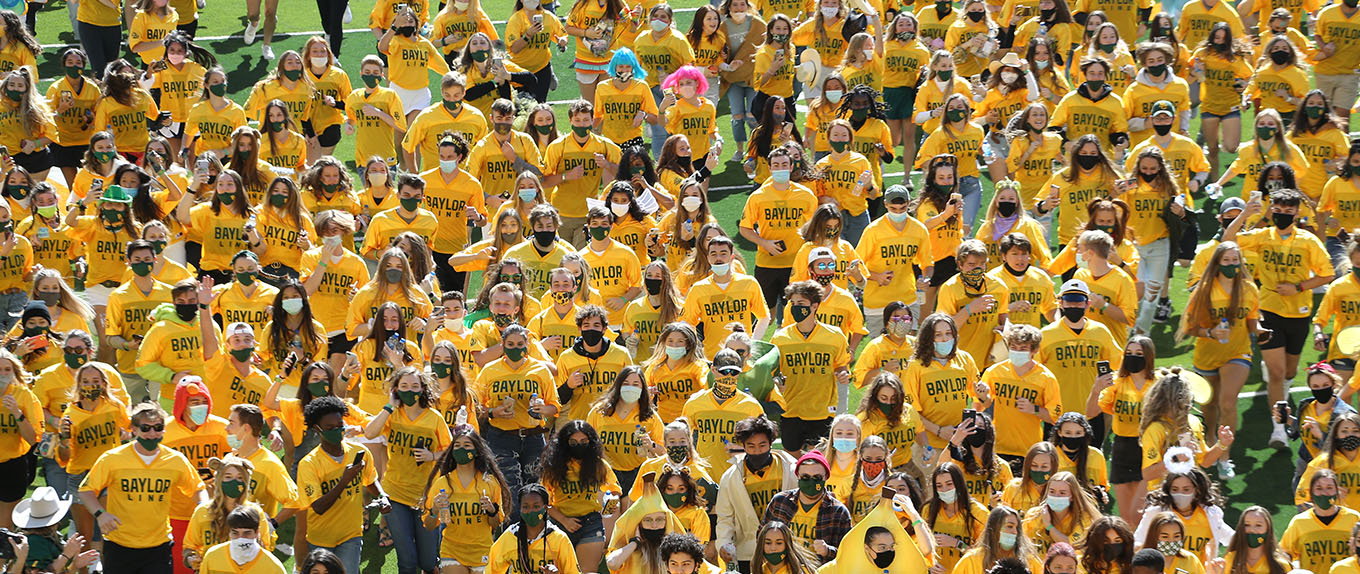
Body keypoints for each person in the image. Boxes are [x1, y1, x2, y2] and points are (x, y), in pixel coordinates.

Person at [1225, 188, 1334, 447]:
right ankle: (1279, 429)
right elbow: (1228, 240)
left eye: (1288, 211)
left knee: (1289, 371)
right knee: (1276, 373)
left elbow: (1327, 274)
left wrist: (1299, 287)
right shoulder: (1263, 236)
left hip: (1298, 312)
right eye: (1278, 210)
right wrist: (1244, 215)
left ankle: (1280, 387)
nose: (1283, 215)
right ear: (1271, 210)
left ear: (1297, 212)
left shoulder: (1308, 241)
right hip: (1268, 309)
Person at [78, 402, 206, 574]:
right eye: (145, 428)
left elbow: (198, 488)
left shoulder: (175, 460)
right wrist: (100, 514)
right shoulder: (112, 458)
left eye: (158, 427)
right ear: (134, 429)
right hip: (119, 545)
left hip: (158, 546)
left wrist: (203, 510)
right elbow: (86, 490)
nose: (152, 433)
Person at [296, 396, 390, 574]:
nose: (337, 430)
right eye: (330, 428)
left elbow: (371, 480)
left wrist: (382, 496)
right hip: (321, 538)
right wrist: (344, 481)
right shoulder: (309, 464)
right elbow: (318, 507)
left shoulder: (360, 452)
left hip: (351, 534)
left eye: (340, 425)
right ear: (317, 429)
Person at [771, 280, 850, 455]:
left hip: (822, 408)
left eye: (801, 304)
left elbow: (841, 365)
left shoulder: (834, 336)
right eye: (793, 303)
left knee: (820, 458)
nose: (796, 308)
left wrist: (843, 374)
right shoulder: (780, 338)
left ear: (815, 306)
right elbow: (773, 372)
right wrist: (777, 382)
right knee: (791, 456)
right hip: (791, 407)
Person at [715, 415, 798, 569]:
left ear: (771, 443)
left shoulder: (790, 469)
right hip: (748, 550)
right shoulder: (731, 477)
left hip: (786, 548)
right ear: (743, 446)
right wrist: (723, 543)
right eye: (751, 446)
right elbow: (725, 517)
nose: (757, 451)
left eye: (762, 445)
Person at [541, 420, 620, 574]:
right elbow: (544, 502)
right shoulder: (554, 466)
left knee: (588, 571)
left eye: (584, 441)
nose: (579, 445)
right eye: (573, 442)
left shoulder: (599, 465)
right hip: (559, 523)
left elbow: (615, 490)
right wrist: (564, 520)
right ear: (564, 443)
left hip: (591, 523)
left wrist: (611, 502)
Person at [1139, 369, 1234, 490]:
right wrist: (1176, 458)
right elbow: (1147, 474)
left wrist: (1222, 444)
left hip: (1192, 492)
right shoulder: (1155, 429)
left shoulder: (1193, 422)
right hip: (1164, 496)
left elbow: (1204, 461)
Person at [761, 450, 851, 564]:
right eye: (805, 477)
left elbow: (847, 553)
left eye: (817, 478)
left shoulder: (838, 512)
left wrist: (827, 551)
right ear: (797, 476)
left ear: (826, 477)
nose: (811, 482)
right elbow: (762, 535)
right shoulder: (780, 502)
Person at [1135, 469, 1235, 561]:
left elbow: (1233, 539)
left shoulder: (1211, 514)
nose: (1180, 494)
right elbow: (1137, 543)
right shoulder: (1156, 513)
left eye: (1186, 489)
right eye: (1175, 489)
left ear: (1197, 490)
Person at [486, 483, 583, 574]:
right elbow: (492, 570)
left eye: (536, 506)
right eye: (526, 507)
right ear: (520, 509)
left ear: (545, 508)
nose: (530, 511)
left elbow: (573, 571)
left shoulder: (559, 538)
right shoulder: (510, 536)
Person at [926, 462, 990, 571]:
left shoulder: (979, 513)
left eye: (949, 484)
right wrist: (928, 565)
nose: (945, 490)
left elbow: (985, 554)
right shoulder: (928, 509)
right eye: (939, 486)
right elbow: (919, 545)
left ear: (959, 483)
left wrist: (957, 544)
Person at [195, 505, 286, 574]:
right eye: (235, 533)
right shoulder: (212, 557)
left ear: (257, 532)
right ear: (229, 532)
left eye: (247, 533)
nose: (241, 538)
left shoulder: (273, 567)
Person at [954, 506, 1044, 574]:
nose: (1015, 532)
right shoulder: (971, 560)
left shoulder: (1029, 561)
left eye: (1017, 528)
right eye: (1009, 526)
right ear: (994, 529)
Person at [1212, 506, 1290, 574]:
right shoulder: (1230, 559)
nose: (1252, 530)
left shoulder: (1281, 564)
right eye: (1247, 525)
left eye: (1258, 525)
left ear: (1268, 529)